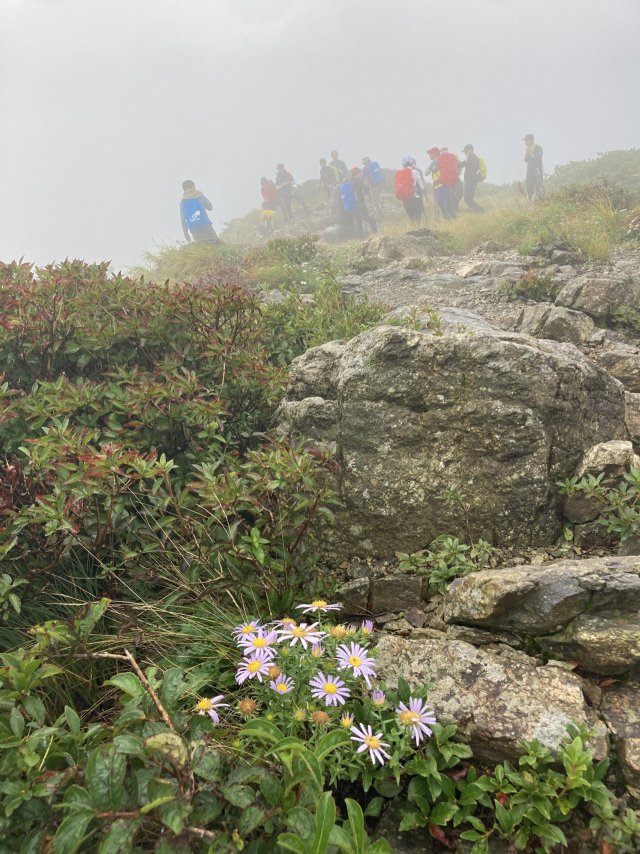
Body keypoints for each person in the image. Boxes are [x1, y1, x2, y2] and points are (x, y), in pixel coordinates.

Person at [425, 148, 455, 221]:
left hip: (439, 187)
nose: (429, 156)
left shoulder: (435, 162)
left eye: (430, 154)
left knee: (444, 209)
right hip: (448, 186)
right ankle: (456, 222)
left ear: (435, 154)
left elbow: (426, 173)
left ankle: (451, 225)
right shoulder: (446, 161)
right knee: (450, 207)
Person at [350, 167, 379, 240]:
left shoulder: (350, 183)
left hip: (354, 206)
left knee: (358, 223)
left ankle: (360, 240)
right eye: (359, 172)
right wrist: (365, 193)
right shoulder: (358, 182)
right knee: (371, 219)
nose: (360, 174)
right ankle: (376, 237)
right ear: (357, 173)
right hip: (360, 204)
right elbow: (366, 189)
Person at [396, 155, 425, 224]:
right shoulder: (415, 172)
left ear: (403, 164)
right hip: (415, 198)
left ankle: (413, 228)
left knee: (411, 218)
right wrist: (424, 190)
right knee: (417, 217)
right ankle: (418, 229)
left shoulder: (399, 173)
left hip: (405, 199)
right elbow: (421, 186)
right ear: (412, 163)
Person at [459, 144, 485, 214]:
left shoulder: (472, 158)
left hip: (471, 181)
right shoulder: (472, 158)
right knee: (468, 199)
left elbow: (464, 164)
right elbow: (464, 163)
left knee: (468, 199)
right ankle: (476, 212)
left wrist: (455, 164)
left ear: (470, 150)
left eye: (466, 151)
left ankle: (481, 210)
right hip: (471, 181)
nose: (465, 153)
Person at [440, 148, 463, 214]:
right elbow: (459, 165)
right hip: (450, 178)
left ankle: (454, 204)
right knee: (455, 193)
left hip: (451, 178)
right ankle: (454, 206)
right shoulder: (453, 157)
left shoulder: (452, 157)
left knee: (456, 193)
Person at [523, 134, 544, 201]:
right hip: (530, 172)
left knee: (539, 188)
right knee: (529, 188)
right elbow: (525, 160)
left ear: (529, 140)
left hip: (537, 171)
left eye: (526, 141)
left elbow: (538, 159)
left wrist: (531, 154)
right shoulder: (528, 149)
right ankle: (531, 204)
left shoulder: (538, 148)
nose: (525, 143)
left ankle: (542, 202)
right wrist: (526, 154)